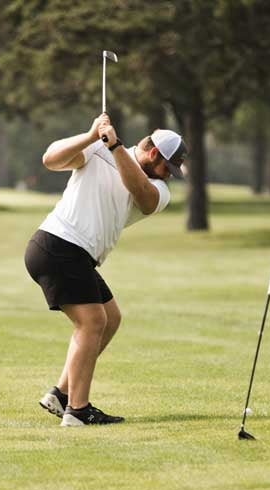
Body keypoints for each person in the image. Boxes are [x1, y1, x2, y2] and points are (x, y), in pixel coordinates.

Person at [25, 113, 187, 427]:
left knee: (110, 318)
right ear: (154, 153)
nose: (169, 175)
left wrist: (115, 147)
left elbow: (142, 194)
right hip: (58, 244)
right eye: (168, 167)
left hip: (74, 254)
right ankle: (78, 410)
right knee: (93, 321)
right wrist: (90, 137)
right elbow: (51, 159)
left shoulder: (157, 189)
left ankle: (62, 393)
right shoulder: (98, 149)